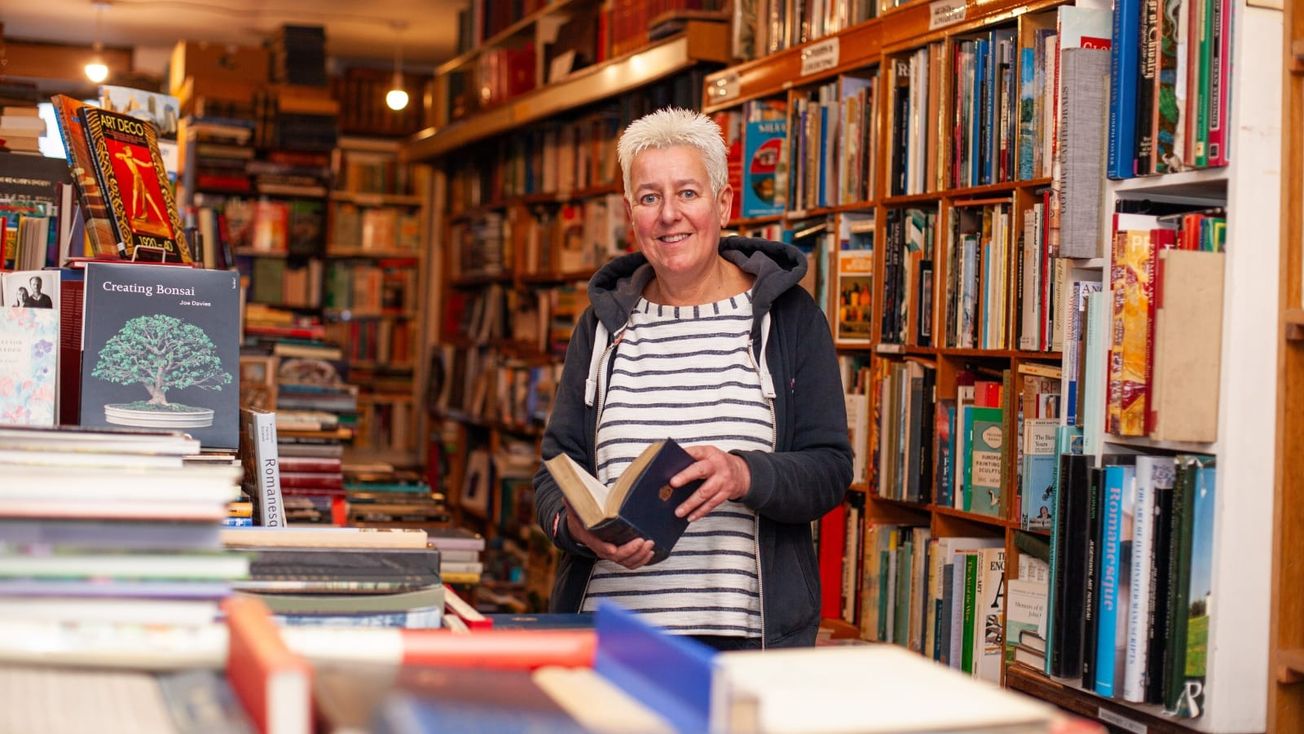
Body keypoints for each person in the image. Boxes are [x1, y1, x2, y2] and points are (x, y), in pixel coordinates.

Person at [532, 108, 853, 650]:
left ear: (722, 204)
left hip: (745, 643)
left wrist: (743, 474)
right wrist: (574, 527)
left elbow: (830, 470)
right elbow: (554, 472)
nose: (668, 215)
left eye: (687, 193)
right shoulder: (601, 327)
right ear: (630, 213)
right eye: (649, 197)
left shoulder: (791, 320)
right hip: (610, 637)